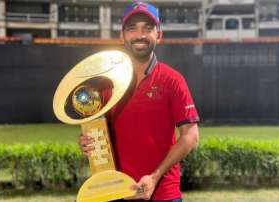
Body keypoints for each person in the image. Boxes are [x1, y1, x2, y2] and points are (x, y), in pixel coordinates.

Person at [79, 1, 200, 201]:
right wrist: (88, 142)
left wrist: (154, 177)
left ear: (158, 35)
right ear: (122, 36)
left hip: (162, 193)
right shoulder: (105, 83)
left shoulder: (173, 80)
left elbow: (191, 135)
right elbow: (99, 132)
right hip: (115, 192)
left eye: (148, 28)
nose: (140, 35)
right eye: (132, 28)